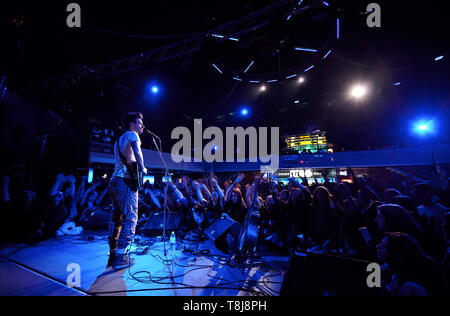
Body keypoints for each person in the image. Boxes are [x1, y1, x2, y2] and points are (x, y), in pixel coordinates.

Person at [108, 112, 147, 270]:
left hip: (115, 180)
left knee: (116, 217)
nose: (142, 125)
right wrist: (143, 168)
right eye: (139, 123)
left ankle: (113, 251)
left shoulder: (119, 139)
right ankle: (121, 256)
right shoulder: (132, 135)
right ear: (132, 125)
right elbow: (137, 152)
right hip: (125, 180)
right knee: (131, 216)